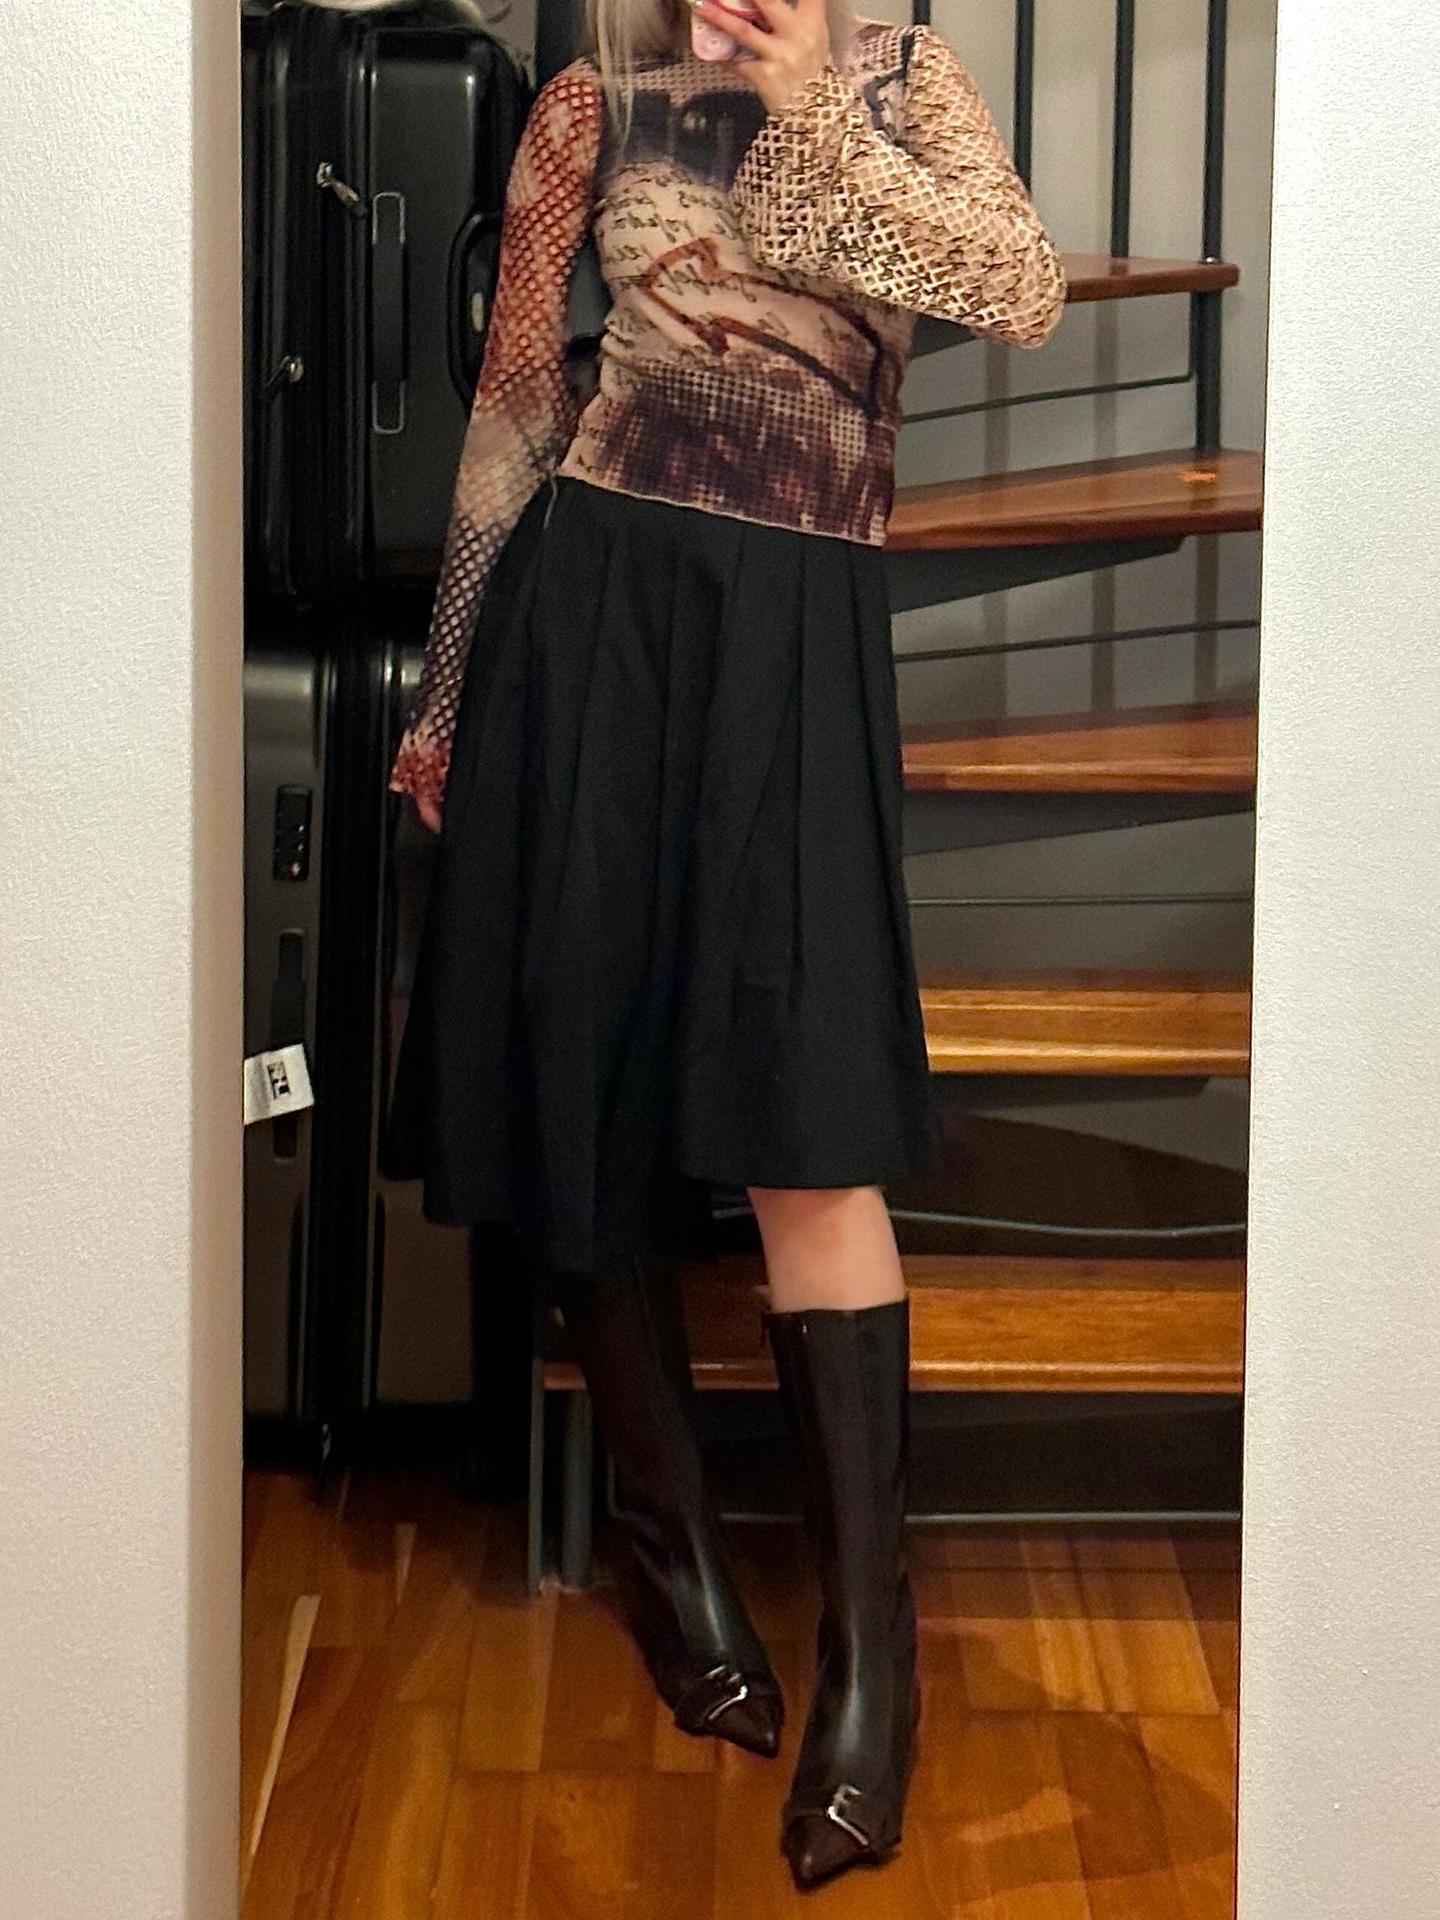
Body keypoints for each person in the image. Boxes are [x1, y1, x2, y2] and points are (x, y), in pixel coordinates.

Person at [386, 0, 1065, 1889]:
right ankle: (676, 1563)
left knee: (808, 1133)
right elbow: (517, 407)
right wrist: (448, 682)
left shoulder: (903, 82)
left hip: (796, 626)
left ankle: (873, 1664)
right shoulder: (589, 100)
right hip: (589, 615)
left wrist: (803, 104)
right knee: (580, 1092)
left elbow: (1016, 290)